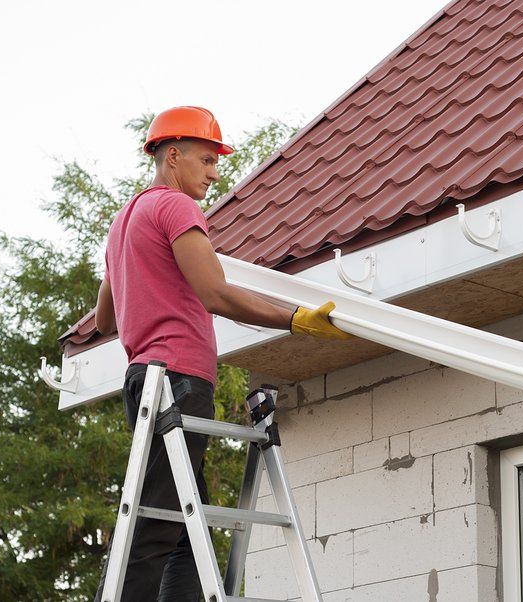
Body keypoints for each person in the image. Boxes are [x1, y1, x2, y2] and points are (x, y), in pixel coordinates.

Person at [92, 106, 349, 601]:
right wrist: (294, 317)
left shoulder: (124, 220)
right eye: (207, 160)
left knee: (186, 535)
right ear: (173, 156)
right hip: (177, 382)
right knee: (153, 529)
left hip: (143, 384)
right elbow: (216, 294)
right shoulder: (175, 208)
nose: (214, 172)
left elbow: (105, 321)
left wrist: (142, 283)